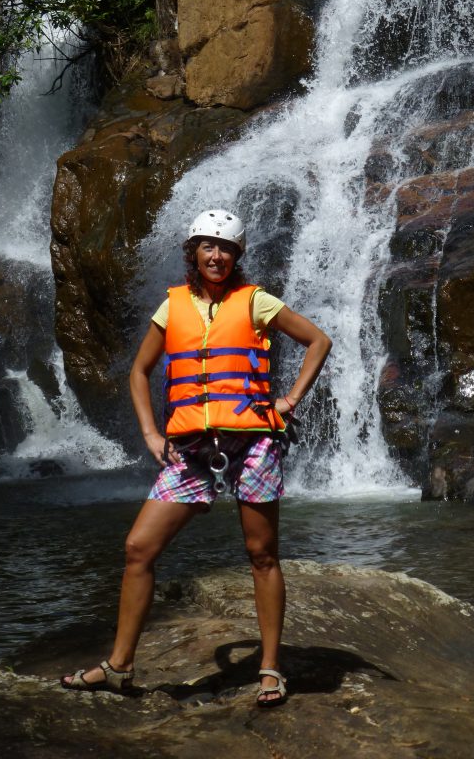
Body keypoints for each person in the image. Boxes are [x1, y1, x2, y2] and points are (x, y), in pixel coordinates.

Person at [61, 208, 332, 706]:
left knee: (262, 554)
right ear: (193, 252)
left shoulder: (257, 301)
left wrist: (288, 400)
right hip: (188, 449)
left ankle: (270, 669)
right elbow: (139, 371)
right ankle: (119, 667)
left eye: (226, 248)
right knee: (139, 548)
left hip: (253, 443)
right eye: (208, 246)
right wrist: (148, 432)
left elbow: (319, 340)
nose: (216, 255)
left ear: (237, 256)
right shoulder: (172, 308)